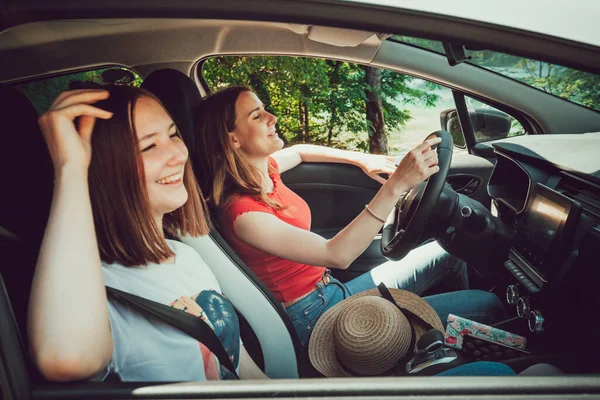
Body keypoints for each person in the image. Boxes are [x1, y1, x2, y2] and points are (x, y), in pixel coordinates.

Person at [194, 86, 505, 346]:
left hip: (330, 291)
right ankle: (464, 347)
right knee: (487, 305)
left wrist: (362, 159)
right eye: (257, 115)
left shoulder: (265, 170)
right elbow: (337, 254)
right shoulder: (243, 214)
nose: (272, 117)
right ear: (232, 139)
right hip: (315, 319)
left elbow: (301, 151)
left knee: (445, 253)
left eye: (265, 108)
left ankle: (447, 342)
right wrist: (396, 185)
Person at [28, 85, 266, 382]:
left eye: (173, 134)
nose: (178, 154)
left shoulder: (186, 256)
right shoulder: (99, 292)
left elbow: (241, 368)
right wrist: (71, 168)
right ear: (104, 171)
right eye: (149, 146)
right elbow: (67, 359)